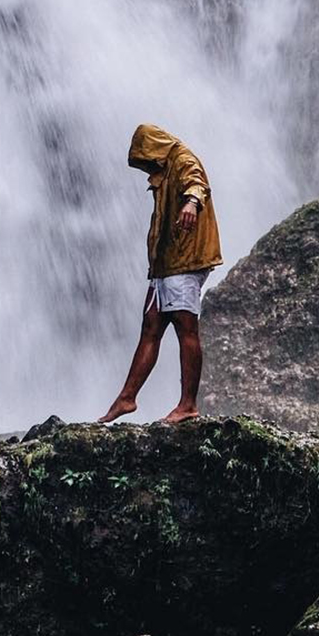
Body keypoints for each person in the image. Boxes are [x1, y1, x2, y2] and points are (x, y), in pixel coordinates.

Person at [99, 123, 222, 425]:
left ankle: (188, 405)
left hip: (185, 260)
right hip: (165, 265)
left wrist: (192, 203)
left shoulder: (182, 159)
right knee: (151, 326)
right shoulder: (165, 169)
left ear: (153, 147)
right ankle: (127, 398)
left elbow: (197, 184)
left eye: (146, 159)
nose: (147, 167)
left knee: (185, 328)